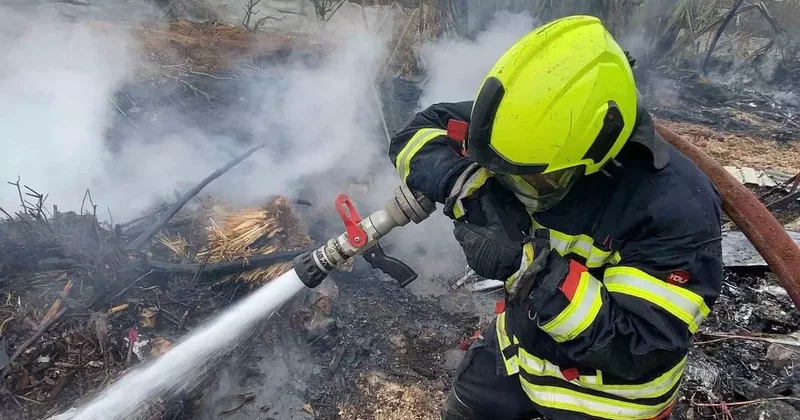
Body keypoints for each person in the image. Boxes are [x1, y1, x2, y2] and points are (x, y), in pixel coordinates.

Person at [388, 15, 723, 420]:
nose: (515, 191)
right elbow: (417, 135)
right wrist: (469, 189)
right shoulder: (526, 125)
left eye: (532, 180)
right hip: (521, 348)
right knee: (464, 409)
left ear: (597, 151)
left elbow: (639, 347)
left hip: (605, 398)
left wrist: (527, 268)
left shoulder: (675, 209)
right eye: (503, 175)